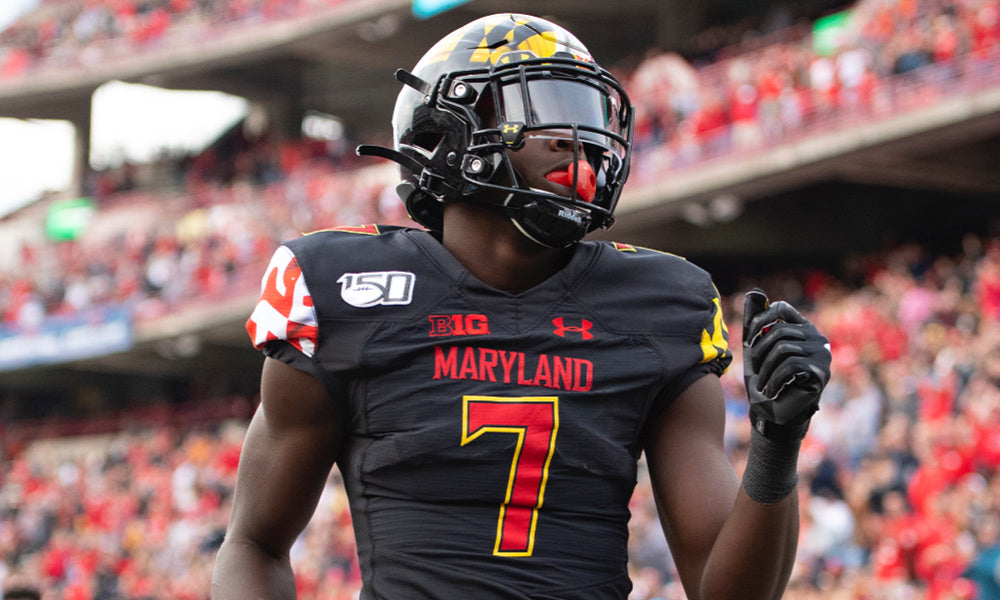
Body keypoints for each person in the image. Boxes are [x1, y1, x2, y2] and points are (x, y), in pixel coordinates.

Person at [212, 13, 831, 600]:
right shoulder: (345, 288)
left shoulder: (661, 304)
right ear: (447, 130)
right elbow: (254, 543)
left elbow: (726, 590)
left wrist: (777, 441)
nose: (576, 136)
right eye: (545, 108)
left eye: (587, 112)